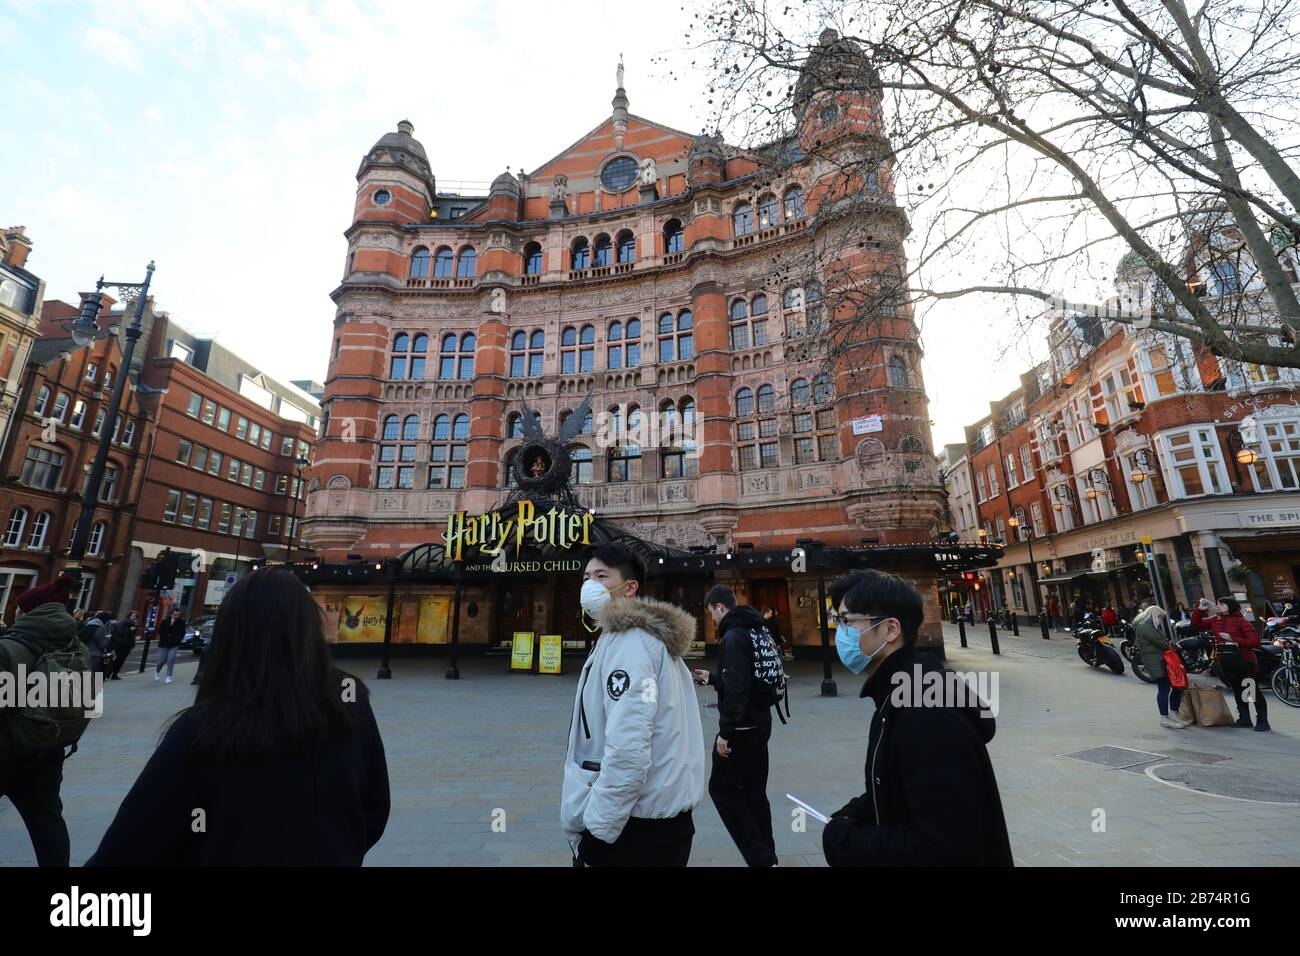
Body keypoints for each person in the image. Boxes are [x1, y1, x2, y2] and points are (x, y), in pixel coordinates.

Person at [87, 569, 390, 865]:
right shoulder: (350, 700)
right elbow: (374, 806)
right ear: (308, 627)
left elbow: (133, 842)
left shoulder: (202, 728)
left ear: (231, 631)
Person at [821, 569, 1012, 866]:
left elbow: (943, 847)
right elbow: (902, 784)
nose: (840, 632)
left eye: (848, 621)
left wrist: (846, 842)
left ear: (890, 629)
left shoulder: (926, 715)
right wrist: (858, 810)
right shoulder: (899, 695)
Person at [561, 542, 704, 867]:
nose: (589, 585)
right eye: (586, 577)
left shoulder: (631, 642)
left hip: (635, 830)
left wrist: (599, 833)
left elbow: (628, 750)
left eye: (601, 576)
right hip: (660, 822)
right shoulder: (640, 639)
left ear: (630, 587)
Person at [0, 576, 87, 866]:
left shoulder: (9, 649)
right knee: (48, 824)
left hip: (6, 751)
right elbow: (87, 705)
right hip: (48, 753)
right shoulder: (79, 649)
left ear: (27, 612)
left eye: (18, 607)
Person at [692, 586, 777, 867]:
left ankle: (760, 859)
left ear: (718, 607)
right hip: (762, 721)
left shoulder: (733, 636)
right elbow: (746, 679)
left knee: (723, 790)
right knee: (754, 793)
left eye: (711, 614)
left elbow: (738, 690)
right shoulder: (756, 629)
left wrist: (725, 733)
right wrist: (715, 678)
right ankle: (768, 856)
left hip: (741, 728)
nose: (713, 620)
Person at [1192, 596, 1270, 731]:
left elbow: (1255, 641)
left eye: (1222, 604)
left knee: (1251, 691)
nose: (1219, 606)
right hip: (1226, 661)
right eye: (1218, 604)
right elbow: (1195, 626)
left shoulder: (1241, 621)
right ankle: (1245, 719)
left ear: (1230, 606)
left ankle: (1263, 721)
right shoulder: (1215, 620)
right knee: (1238, 691)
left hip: (1244, 661)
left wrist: (1233, 639)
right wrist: (1199, 611)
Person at [1133, 602, 1190, 729]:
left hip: (1160, 659)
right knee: (1164, 689)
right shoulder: (1145, 627)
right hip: (1156, 661)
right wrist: (1175, 645)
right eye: (1160, 617)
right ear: (1154, 615)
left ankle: (1173, 714)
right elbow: (1161, 643)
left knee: (1175, 687)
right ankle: (1164, 717)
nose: (1160, 620)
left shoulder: (1147, 625)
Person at [154, 608, 186, 683]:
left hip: (174, 644)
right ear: (171, 614)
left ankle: (168, 676)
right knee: (162, 660)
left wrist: (178, 639)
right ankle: (157, 671)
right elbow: (161, 631)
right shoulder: (165, 621)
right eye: (175, 614)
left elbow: (182, 632)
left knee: (171, 659)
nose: (176, 616)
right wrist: (171, 624)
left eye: (178, 615)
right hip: (164, 643)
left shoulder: (181, 622)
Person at [108, 610, 140, 680]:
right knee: (118, 659)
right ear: (129, 615)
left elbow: (132, 636)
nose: (134, 618)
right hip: (121, 644)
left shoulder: (133, 624)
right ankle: (109, 673)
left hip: (127, 645)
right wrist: (130, 630)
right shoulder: (124, 622)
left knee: (121, 660)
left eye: (136, 617)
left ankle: (114, 674)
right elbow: (120, 632)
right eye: (133, 616)